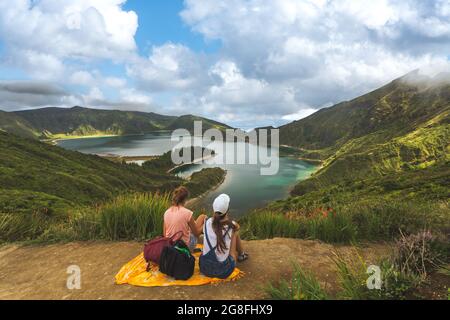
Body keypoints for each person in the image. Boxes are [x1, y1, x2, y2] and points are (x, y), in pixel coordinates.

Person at [200, 194, 249, 279]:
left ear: (214, 209)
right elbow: (237, 227)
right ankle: (241, 255)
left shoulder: (207, 222)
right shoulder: (231, 225)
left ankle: (241, 254)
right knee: (235, 232)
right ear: (227, 210)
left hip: (205, 268)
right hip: (224, 271)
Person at [163, 186, 207, 251]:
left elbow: (165, 234)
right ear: (184, 199)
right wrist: (205, 225)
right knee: (204, 218)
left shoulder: (166, 212)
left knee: (202, 216)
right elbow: (197, 233)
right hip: (185, 247)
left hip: (170, 246)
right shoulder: (187, 213)